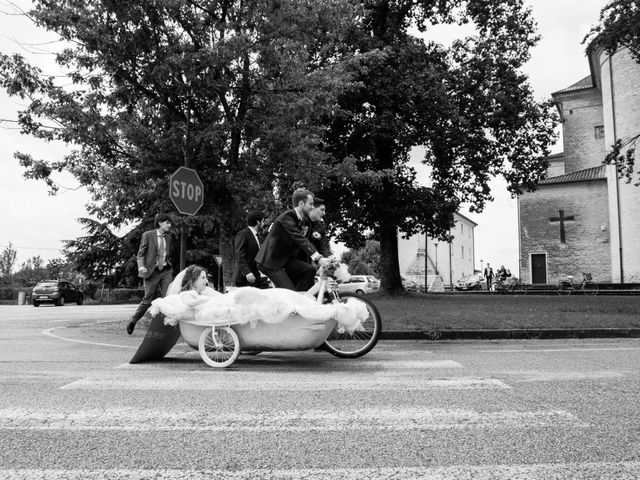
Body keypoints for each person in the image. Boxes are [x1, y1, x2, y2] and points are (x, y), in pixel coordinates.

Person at [255, 189, 327, 291]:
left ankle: (301, 299)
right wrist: (318, 258)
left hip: (285, 260)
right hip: (271, 262)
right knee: (289, 293)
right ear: (301, 204)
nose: (312, 207)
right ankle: (294, 302)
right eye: (310, 204)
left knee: (309, 270)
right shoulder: (287, 217)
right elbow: (300, 239)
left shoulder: (302, 220)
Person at [127, 213, 174, 335]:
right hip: (151, 272)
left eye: (170, 223)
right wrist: (141, 266)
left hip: (165, 271)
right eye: (167, 222)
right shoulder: (147, 235)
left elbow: (166, 254)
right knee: (147, 300)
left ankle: (164, 326)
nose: (170, 225)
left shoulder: (168, 238)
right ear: (160, 223)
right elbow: (141, 254)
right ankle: (133, 320)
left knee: (167, 298)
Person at [232, 211, 269, 289]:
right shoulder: (243, 234)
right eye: (262, 221)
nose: (263, 223)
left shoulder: (257, 236)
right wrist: (247, 272)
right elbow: (239, 254)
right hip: (245, 278)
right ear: (258, 222)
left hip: (255, 277)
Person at [301, 197, 332, 261]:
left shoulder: (321, 228)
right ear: (312, 208)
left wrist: (329, 259)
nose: (324, 213)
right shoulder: (301, 221)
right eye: (322, 209)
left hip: (310, 261)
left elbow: (323, 246)